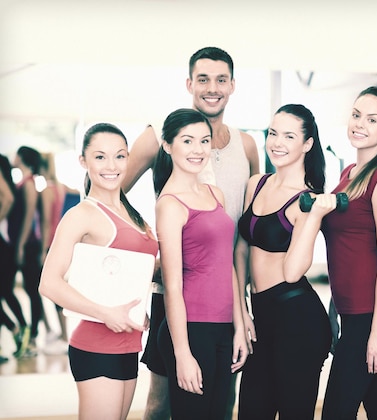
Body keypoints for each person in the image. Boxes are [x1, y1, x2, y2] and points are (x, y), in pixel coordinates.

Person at [123, 46, 259, 420]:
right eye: (203, 79)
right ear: (189, 84)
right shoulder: (160, 135)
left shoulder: (246, 145)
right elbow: (109, 192)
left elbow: (248, 223)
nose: (211, 88)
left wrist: (242, 305)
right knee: (163, 401)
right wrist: (150, 246)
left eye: (220, 80)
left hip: (225, 293)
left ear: (232, 85)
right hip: (177, 293)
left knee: (220, 402)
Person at [38, 122, 159, 419]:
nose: (111, 165)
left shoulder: (133, 213)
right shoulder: (81, 215)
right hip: (96, 345)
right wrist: (106, 313)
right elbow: (49, 284)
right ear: (83, 161)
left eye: (119, 156)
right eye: (100, 157)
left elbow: (126, 272)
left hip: (129, 344)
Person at [235, 104, 332, 419]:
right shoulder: (257, 184)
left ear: (307, 144)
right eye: (273, 133)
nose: (277, 142)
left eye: (289, 136)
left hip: (297, 321)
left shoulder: (308, 199)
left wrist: (314, 215)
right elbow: (240, 251)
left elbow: (292, 272)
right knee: (251, 411)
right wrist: (241, 312)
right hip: (260, 316)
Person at [153, 108, 248, 419]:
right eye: (188, 141)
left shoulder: (214, 193)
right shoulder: (169, 204)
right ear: (167, 145)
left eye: (204, 141)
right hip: (192, 329)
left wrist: (238, 328)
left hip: (223, 327)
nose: (198, 150)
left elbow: (228, 266)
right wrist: (182, 353)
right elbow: (173, 285)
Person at [320, 86, 377, 420]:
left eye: (372, 119)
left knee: (336, 412)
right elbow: (344, 251)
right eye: (356, 115)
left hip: (371, 316)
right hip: (351, 312)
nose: (359, 124)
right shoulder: (347, 175)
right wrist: (333, 308)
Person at [39, 152, 81, 353]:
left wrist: (42, 250)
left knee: (52, 289)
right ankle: (63, 335)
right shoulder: (61, 188)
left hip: (50, 243)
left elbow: (46, 222)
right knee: (59, 288)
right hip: (62, 242)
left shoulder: (47, 190)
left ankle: (63, 336)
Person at [9, 146, 44, 358]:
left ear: (22, 157)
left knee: (32, 290)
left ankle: (32, 337)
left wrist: (20, 245)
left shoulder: (29, 184)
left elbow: (30, 218)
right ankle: (26, 332)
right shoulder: (23, 183)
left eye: (16, 154)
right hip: (25, 243)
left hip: (29, 244)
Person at [0, 153, 29, 362]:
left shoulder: (13, 187)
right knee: (6, 293)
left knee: (6, 293)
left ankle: (20, 329)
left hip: (4, 246)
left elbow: (7, 198)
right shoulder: (12, 182)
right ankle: (19, 329)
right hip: (7, 245)